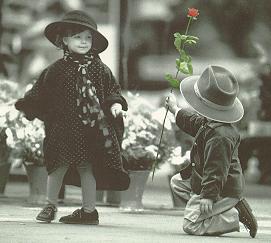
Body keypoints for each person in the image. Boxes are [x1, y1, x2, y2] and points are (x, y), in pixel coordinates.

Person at [15, 10, 130, 224]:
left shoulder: (99, 68)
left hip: (92, 130)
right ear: (65, 40)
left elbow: (112, 89)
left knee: (87, 168)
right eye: (78, 37)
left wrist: (115, 104)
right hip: (62, 129)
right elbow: (40, 90)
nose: (84, 42)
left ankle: (89, 211)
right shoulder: (56, 70)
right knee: (57, 166)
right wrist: (28, 107)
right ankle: (50, 205)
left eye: (88, 38)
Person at [166, 65, 258, 237]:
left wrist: (208, 196)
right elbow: (193, 122)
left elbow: (216, 170)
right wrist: (175, 110)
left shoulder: (220, 136)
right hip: (207, 179)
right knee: (177, 183)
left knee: (191, 226)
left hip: (222, 188)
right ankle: (214, 210)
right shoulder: (211, 122)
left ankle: (234, 215)